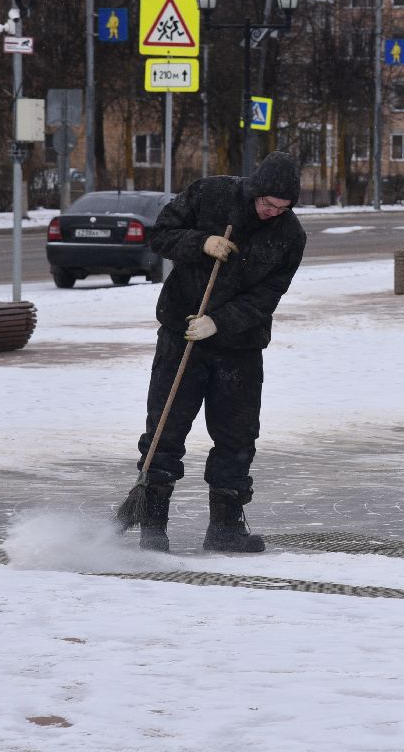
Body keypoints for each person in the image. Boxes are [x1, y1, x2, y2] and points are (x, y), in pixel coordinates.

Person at [132, 151, 306, 553]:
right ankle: (152, 525)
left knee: (237, 435)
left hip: (239, 346)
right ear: (255, 190)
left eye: (283, 208)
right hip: (182, 334)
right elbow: (160, 234)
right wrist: (200, 242)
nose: (272, 213)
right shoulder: (210, 195)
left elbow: (267, 296)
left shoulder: (290, 236)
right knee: (166, 426)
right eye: (267, 204)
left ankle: (226, 528)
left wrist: (220, 322)